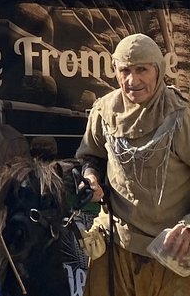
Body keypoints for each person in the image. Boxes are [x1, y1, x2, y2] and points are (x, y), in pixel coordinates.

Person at [77, 34, 190, 294]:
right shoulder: (104, 111)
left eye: (142, 70)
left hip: (172, 252)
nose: (132, 80)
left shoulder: (180, 117)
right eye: (125, 70)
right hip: (117, 244)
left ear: (158, 71)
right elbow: (91, 155)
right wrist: (92, 178)